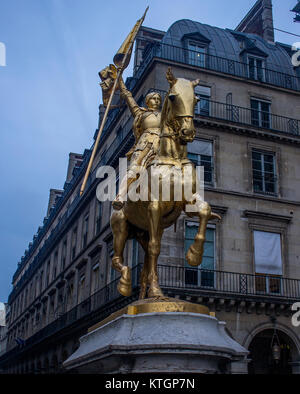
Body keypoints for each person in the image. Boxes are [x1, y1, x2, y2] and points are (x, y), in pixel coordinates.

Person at [112, 76, 162, 210]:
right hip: (144, 144)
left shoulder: (165, 116)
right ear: (147, 101)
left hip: (161, 146)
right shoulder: (141, 113)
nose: (156, 101)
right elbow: (129, 98)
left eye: (158, 99)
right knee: (133, 169)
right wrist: (121, 84)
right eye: (153, 98)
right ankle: (120, 196)